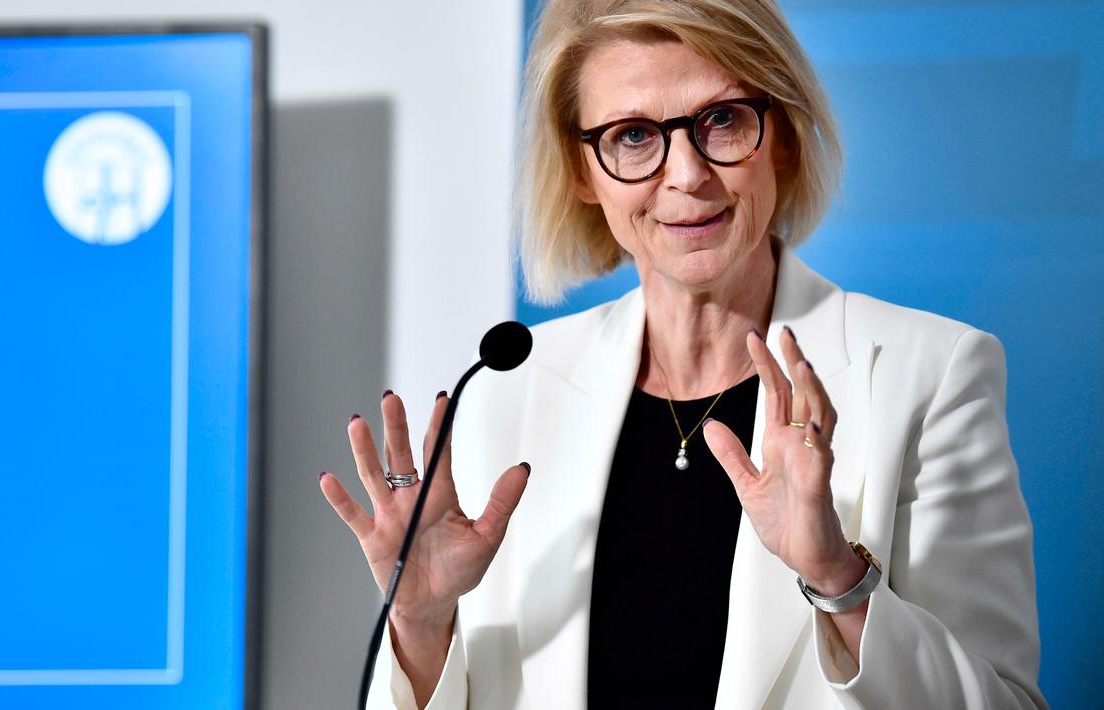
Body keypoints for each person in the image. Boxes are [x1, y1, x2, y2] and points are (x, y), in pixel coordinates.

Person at [319, 0, 1047, 707]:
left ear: (783, 135)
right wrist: (420, 625)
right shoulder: (508, 391)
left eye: (721, 119)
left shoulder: (930, 374)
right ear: (581, 171)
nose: (687, 175)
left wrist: (838, 578)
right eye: (633, 135)